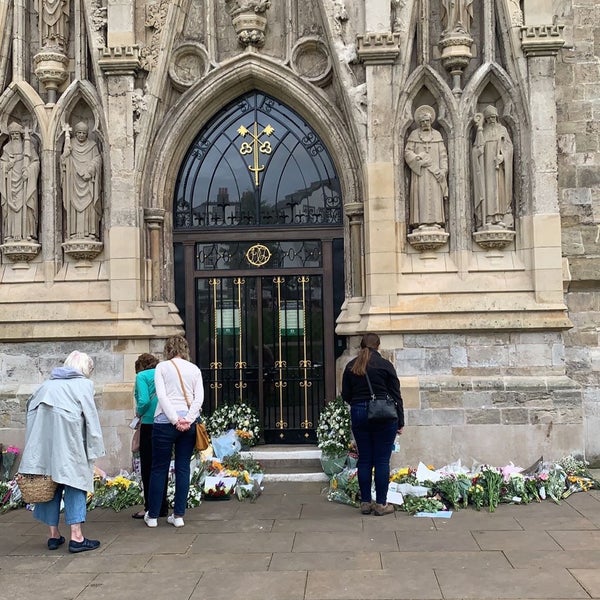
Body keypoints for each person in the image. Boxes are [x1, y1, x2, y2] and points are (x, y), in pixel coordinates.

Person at [19, 351, 105, 553]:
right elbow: (91, 418)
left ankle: (54, 535)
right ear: (85, 369)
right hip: (71, 441)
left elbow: (30, 414)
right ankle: (77, 537)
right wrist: (93, 449)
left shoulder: (45, 385)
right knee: (75, 482)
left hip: (44, 443)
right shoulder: (84, 385)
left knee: (50, 484)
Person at [341, 333, 404, 516]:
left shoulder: (351, 366)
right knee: (382, 460)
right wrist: (400, 420)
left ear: (361, 345)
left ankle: (366, 502)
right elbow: (396, 394)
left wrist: (359, 403)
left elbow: (346, 394)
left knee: (365, 459)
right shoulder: (385, 365)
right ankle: (382, 504)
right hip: (384, 414)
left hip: (359, 412)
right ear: (378, 345)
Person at [145, 336, 204, 528]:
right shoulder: (194, 369)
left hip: (164, 422)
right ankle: (178, 515)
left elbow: (162, 396)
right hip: (188, 424)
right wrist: (188, 418)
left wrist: (173, 419)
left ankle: (153, 516)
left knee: (159, 468)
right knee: (183, 468)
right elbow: (199, 398)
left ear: (167, 349)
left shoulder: (162, 367)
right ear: (185, 349)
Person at [131, 353, 168, 520]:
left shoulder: (141, 376)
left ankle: (149, 507)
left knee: (148, 468)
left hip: (148, 423)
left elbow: (144, 400)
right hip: (164, 421)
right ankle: (162, 506)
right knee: (161, 466)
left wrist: (138, 414)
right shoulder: (162, 374)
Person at [405, 105, 448, 230]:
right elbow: (407, 152)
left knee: (434, 196)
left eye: (427, 121)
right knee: (421, 197)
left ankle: (436, 221)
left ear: (431, 121)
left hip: (435, 174)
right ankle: (421, 222)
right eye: (422, 121)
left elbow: (443, 155)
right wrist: (417, 158)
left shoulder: (437, 135)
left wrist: (443, 170)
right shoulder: (414, 135)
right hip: (420, 174)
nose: (425, 123)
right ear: (419, 123)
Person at [472, 105, 514, 230]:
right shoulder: (482, 131)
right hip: (486, 169)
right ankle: (488, 218)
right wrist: (478, 151)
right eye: (489, 118)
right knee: (488, 190)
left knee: (499, 190)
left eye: (494, 117)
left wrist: (503, 156)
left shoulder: (503, 130)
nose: (491, 120)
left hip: (498, 168)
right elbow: (476, 149)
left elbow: (509, 148)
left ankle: (499, 217)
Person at [60, 121, 102, 240]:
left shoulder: (93, 145)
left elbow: (98, 159)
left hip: (88, 182)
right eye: (79, 133)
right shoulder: (70, 144)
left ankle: (90, 232)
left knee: (89, 206)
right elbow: (63, 162)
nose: (81, 135)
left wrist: (91, 169)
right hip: (74, 183)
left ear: (87, 134)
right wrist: (65, 156)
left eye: (84, 133)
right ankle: (74, 232)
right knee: (74, 207)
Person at [0, 122, 40, 242]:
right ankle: (10, 234)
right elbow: (2, 164)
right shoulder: (6, 148)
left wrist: (29, 171)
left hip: (25, 183)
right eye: (12, 134)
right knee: (11, 209)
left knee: (27, 205)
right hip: (11, 184)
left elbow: (36, 162)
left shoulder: (28, 147)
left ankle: (28, 233)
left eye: (17, 133)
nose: (15, 136)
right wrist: (7, 166)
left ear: (21, 134)